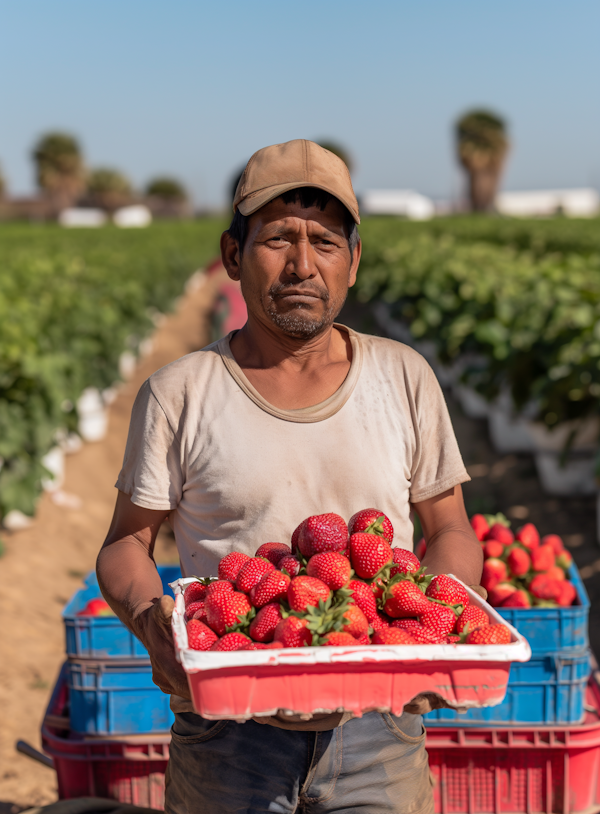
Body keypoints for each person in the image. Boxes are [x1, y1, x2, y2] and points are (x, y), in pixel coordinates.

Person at [97, 139, 484, 814]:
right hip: (227, 729)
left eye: (326, 242)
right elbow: (126, 544)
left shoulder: (404, 378)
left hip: (379, 725)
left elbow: (449, 526)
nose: (303, 264)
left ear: (354, 262)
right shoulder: (180, 392)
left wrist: (442, 612)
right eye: (277, 238)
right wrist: (150, 620)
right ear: (231, 256)